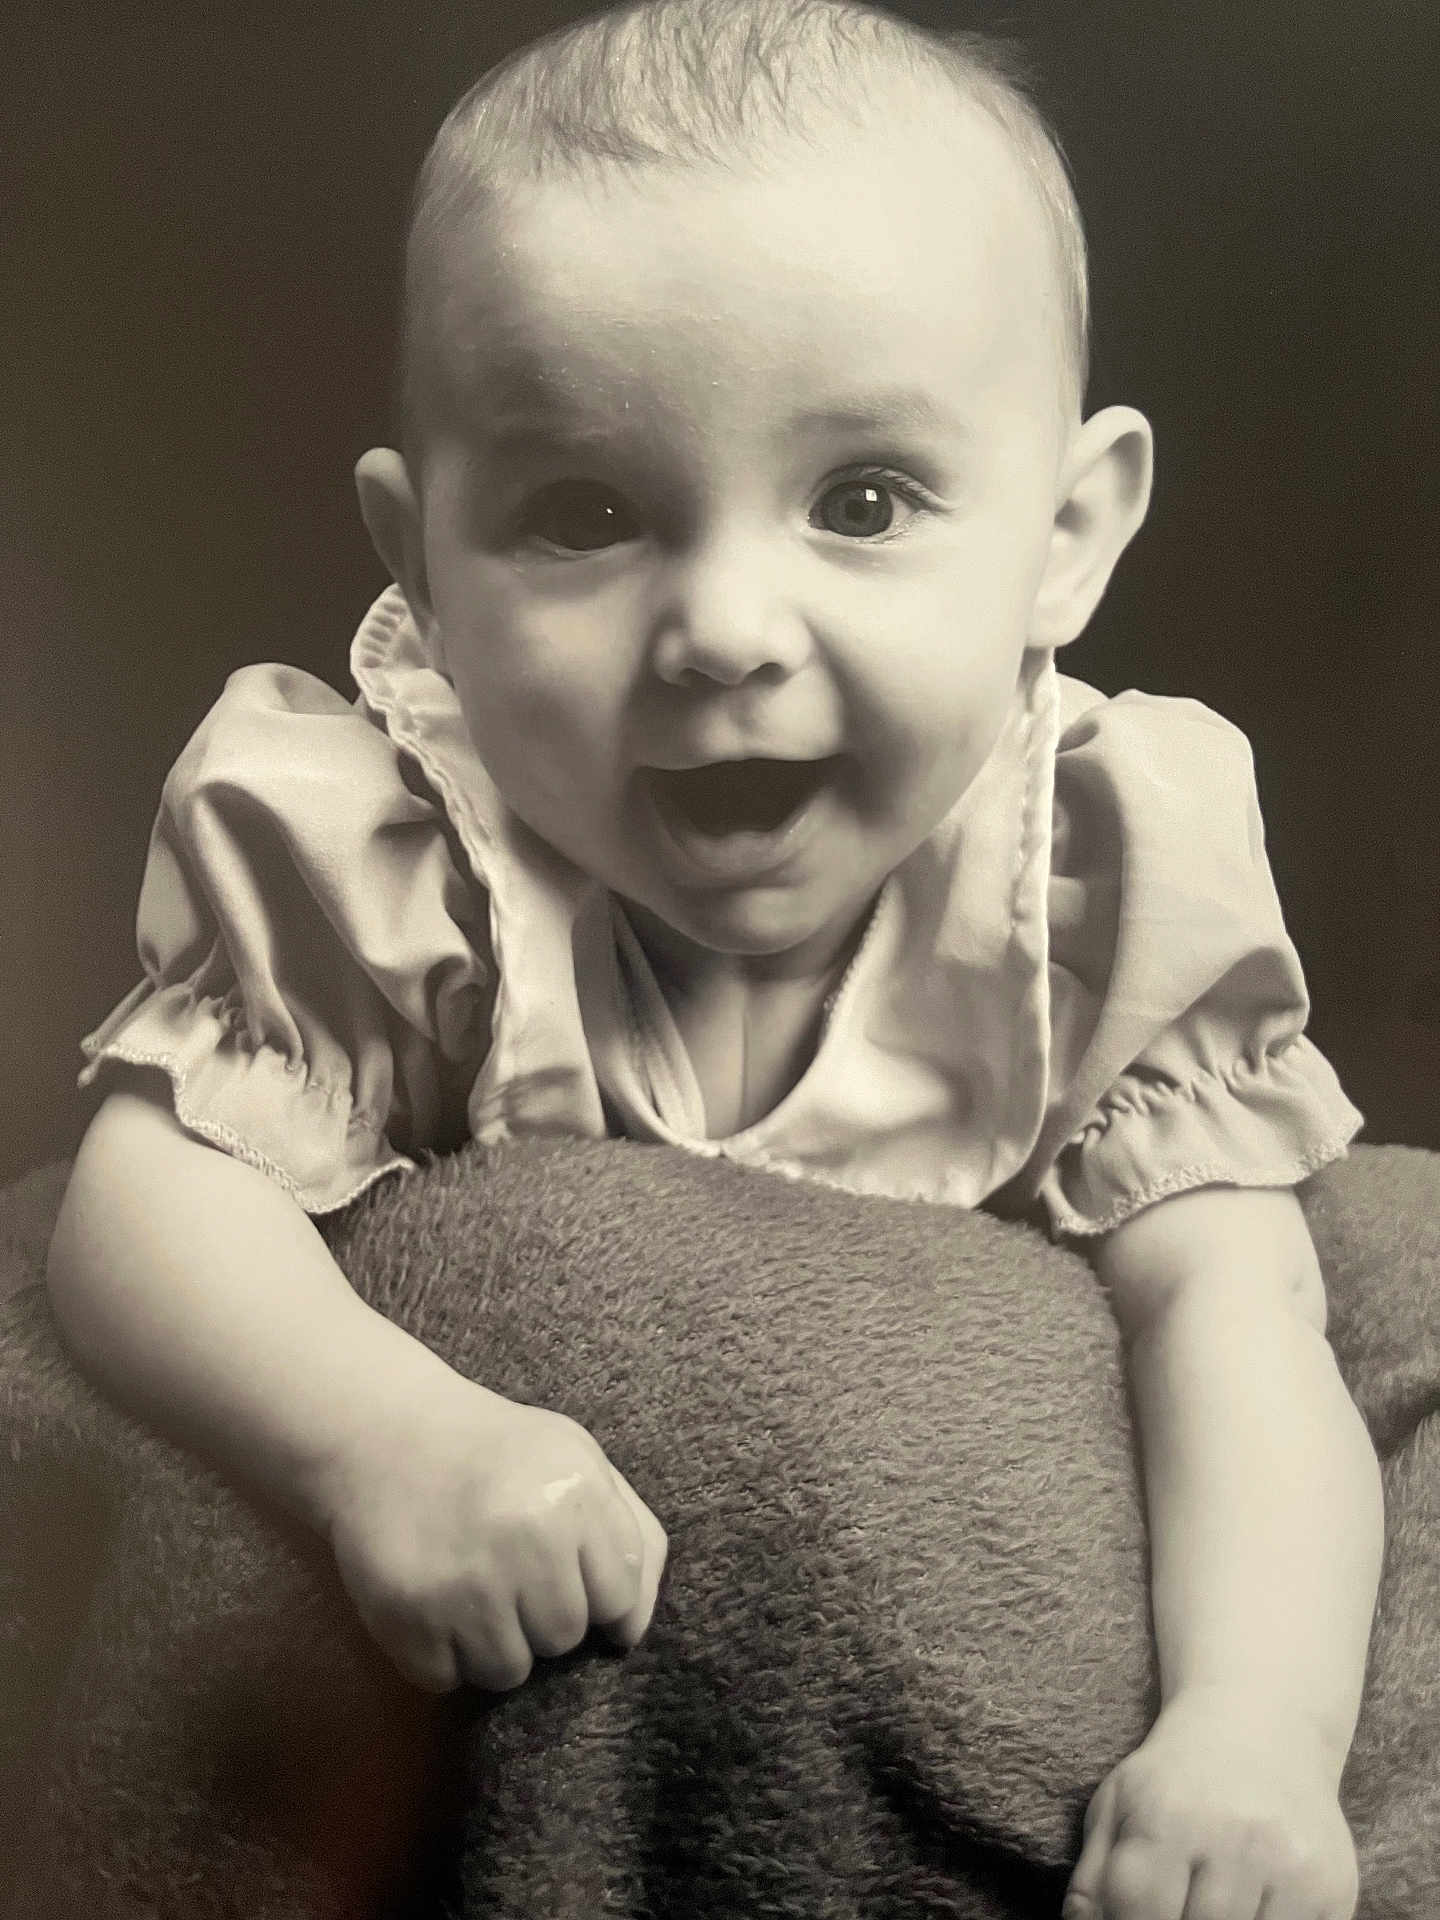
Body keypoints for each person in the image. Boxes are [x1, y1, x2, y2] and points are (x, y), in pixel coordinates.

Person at [46, 3, 1381, 1915]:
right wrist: (385, 1444)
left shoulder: (1094, 873)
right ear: (422, 562)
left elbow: (1239, 1323)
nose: (725, 629)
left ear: (1066, 538)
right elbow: (146, 1201)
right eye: (586, 516)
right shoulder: (395, 844)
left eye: (864, 501)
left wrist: (1250, 1735)